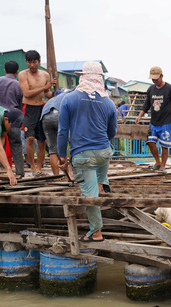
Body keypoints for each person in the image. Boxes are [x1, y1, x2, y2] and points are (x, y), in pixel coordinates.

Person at [57, 61, 117, 243]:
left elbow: (62, 131)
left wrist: (62, 156)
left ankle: (96, 232)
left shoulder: (69, 98)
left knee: (89, 196)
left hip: (84, 157)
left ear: (82, 77)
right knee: (101, 163)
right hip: (104, 153)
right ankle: (101, 184)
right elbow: (112, 132)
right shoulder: (109, 102)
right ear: (100, 79)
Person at [134, 66, 171, 172]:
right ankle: (157, 161)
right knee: (150, 142)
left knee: (165, 145)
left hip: (166, 122)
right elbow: (147, 104)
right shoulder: (151, 89)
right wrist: (140, 115)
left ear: (161, 76)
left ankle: (163, 166)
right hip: (154, 122)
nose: (154, 81)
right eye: (153, 79)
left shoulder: (170, 89)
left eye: (156, 78)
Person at [19, 50, 55, 177]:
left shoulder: (45, 75)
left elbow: (47, 94)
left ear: (39, 62)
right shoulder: (23, 75)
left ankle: (39, 168)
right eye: (29, 62)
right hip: (28, 108)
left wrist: (54, 92)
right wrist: (45, 88)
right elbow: (27, 93)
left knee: (41, 141)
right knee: (29, 138)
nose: (32, 65)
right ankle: (32, 166)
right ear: (26, 62)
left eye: (34, 62)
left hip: (41, 108)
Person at [0, 60, 26, 177]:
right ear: (17, 72)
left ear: (4, 70)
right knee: (16, 144)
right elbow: (20, 103)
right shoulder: (19, 84)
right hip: (13, 117)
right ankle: (20, 171)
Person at [41, 88, 71, 175]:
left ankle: (56, 176)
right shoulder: (67, 96)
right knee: (73, 143)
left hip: (45, 118)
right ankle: (71, 174)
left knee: (52, 148)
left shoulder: (52, 100)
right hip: (59, 115)